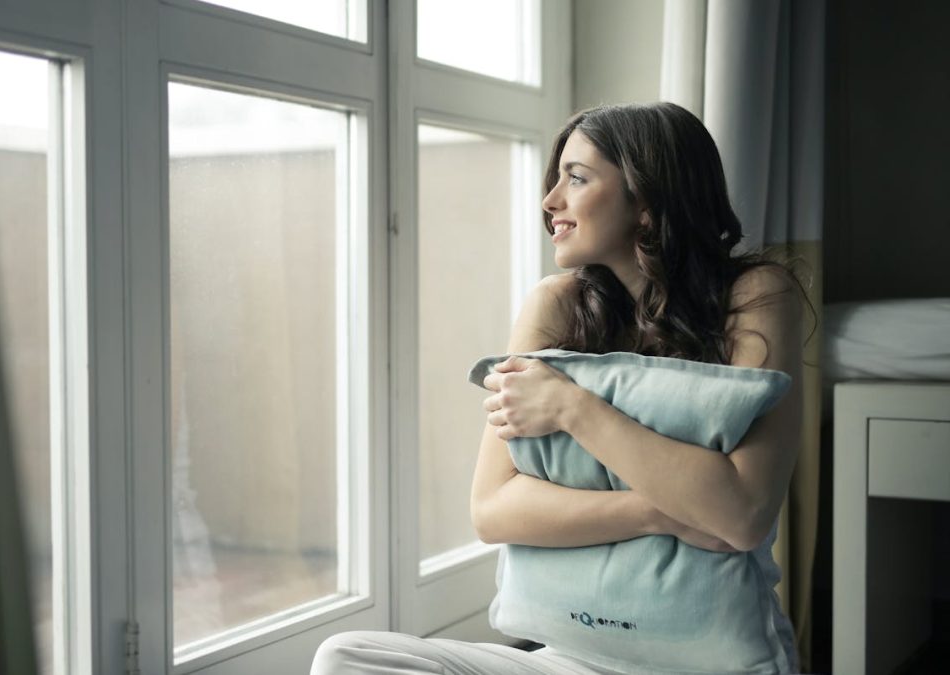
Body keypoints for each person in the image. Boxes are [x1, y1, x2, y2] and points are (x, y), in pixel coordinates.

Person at [311, 102, 810, 674]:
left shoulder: (756, 295)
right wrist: (660, 513)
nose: (551, 201)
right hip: (570, 659)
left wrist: (572, 407)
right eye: (557, 178)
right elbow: (493, 510)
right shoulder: (555, 304)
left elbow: (742, 513)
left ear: (646, 202)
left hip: (712, 663)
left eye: (576, 178)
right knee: (345, 657)